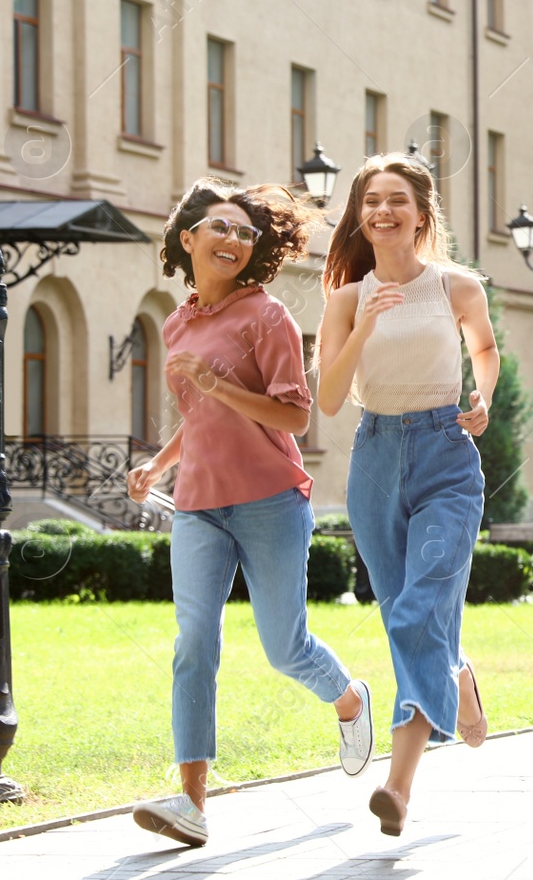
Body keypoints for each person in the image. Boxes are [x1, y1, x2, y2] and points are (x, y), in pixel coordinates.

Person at [126, 179, 374, 848]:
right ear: (188, 239)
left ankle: (349, 697)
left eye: (244, 232)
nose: (234, 239)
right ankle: (191, 800)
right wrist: (160, 462)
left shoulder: (266, 317)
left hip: (269, 498)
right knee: (194, 643)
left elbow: (296, 414)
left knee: (283, 646)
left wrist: (222, 385)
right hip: (199, 505)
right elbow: (200, 415)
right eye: (220, 228)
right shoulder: (178, 321)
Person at [316, 152, 496, 837]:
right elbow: (330, 399)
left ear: (422, 213)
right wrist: (365, 318)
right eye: (370, 200)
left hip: (446, 453)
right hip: (374, 458)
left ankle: (398, 784)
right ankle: (456, 682)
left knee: (417, 605)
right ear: (360, 216)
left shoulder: (457, 286)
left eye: (396, 199)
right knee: (407, 612)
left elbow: (483, 349)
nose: (382, 210)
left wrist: (485, 394)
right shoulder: (344, 298)